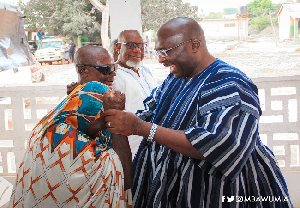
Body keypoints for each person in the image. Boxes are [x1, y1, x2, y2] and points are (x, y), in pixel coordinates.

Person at [102, 17, 293, 207]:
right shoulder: (176, 79)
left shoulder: (229, 82)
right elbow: (150, 111)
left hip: (217, 193)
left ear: (194, 45)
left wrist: (142, 128)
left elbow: (219, 143)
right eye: (158, 51)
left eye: (166, 51)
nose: (160, 59)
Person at [9, 45, 132, 208]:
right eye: (106, 69)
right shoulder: (96, 94)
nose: (113, 73)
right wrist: (115, 114)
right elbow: (125, 177)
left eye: (114, 67)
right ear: (83, 71)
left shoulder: (67, 107)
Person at [113, 30, 157, 158]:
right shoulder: (113, 76)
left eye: (141, 46)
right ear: (118, 47)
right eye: (131, 45)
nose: (137, 50)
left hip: (155, 145)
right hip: (131, 149)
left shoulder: (146, 72)